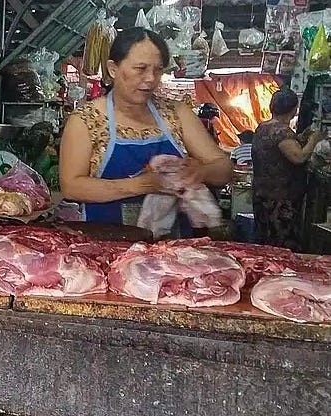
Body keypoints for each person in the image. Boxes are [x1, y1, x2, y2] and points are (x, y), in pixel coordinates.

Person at [59, 28, 233, 224]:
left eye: (158, 69)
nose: (151, 78)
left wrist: (201, 172)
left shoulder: (177, 113)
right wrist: (142, 185)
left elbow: (224, 168)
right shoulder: (86, 119)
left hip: (173, 248)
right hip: (108, 245)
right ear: (113, 69)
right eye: (140, 68)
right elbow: (71, 186)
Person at [251, 89, 324, 251]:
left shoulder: (262, 128)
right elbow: (298, 157)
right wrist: (313, 140)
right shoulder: (282, 132)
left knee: (265, 243)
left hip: (262, 196)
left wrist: (301, 137)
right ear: (293, 110)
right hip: (280, 201)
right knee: (282, 244)